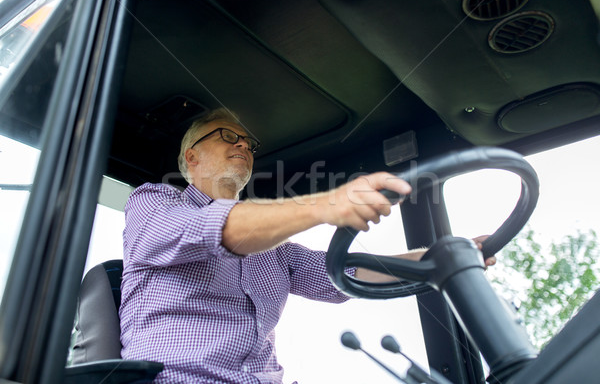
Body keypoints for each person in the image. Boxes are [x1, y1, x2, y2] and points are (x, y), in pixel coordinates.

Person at [119, 108, 491, 383]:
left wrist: (435, 259)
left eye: (248, 142)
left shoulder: (275, 249)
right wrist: (329, 203)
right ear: (192, 157)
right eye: (228, 136)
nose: (244, 144)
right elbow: (212, 229)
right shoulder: (154, 203)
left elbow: (341, 274)